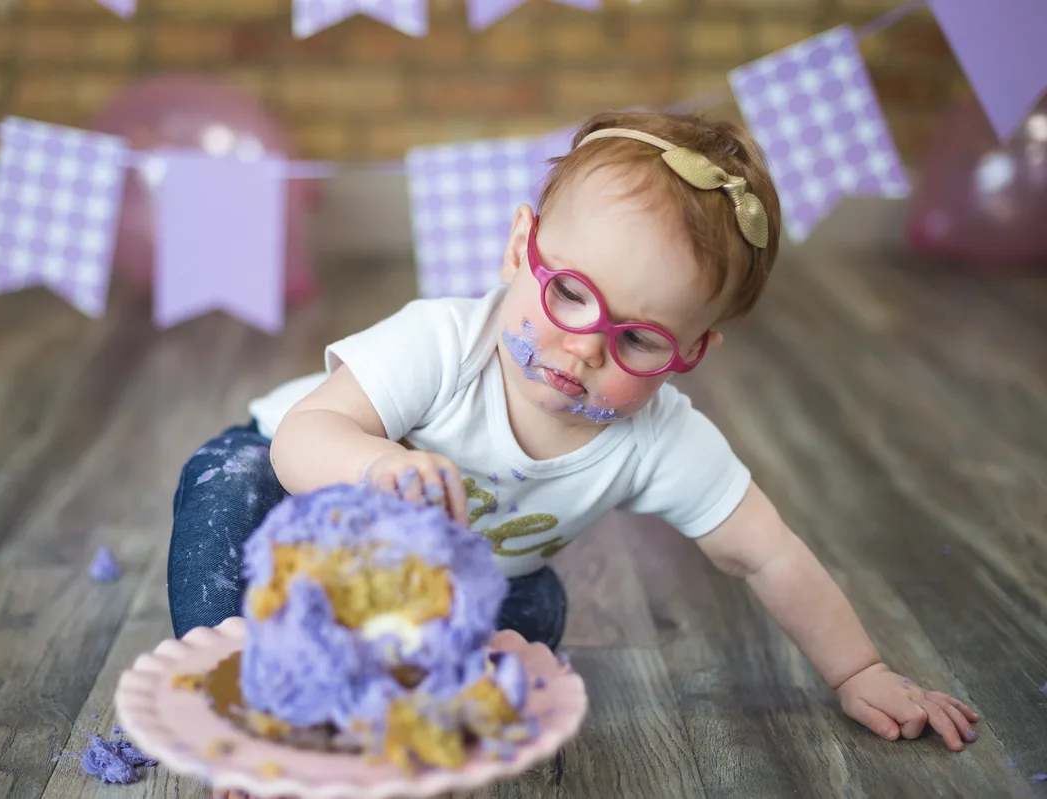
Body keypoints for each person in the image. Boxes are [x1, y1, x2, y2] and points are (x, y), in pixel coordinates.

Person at [167, 109, 980, 751]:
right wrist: (374, 463)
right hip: (296, 502)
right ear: (521, 249)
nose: (584, 345)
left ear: (689, 354)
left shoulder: (660, 439)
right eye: (571, 294)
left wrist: (859, 668)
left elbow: (766, 552)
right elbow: (303, 437)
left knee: (533, 616)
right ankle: (239, 700)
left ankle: (390, 690)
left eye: (638, 339)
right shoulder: (447, 342)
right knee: (224, 485)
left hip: (432, 580)